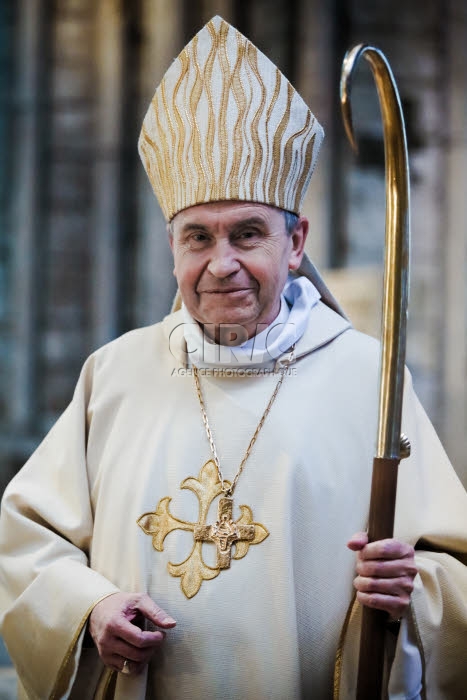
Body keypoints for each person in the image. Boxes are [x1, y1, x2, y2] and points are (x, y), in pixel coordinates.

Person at [0, 15, 466, 700]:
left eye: (247, 233)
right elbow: (29, 543)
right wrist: (87, 607)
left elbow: (449, 567)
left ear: (295, 240)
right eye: (198, 238)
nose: (222, 265)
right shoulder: (115, 374)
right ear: (172, 247)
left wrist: (412, 590)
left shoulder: (368, 375)